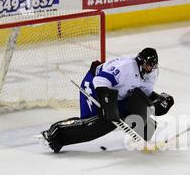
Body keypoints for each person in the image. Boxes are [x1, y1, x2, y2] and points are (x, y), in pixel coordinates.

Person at [39, 48, 174, 153]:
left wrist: (157, 102)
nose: (150, 69)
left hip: (118, 93)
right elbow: (100, 81)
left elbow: (143, 95)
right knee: (92, 124)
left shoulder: (152, 74)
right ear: (140, 61)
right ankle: (54, 134)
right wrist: (108, 105)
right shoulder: (126, 67)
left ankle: (138, 123)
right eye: (148, 66)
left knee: (144, 126)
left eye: (152, 66)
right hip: (93, 84)